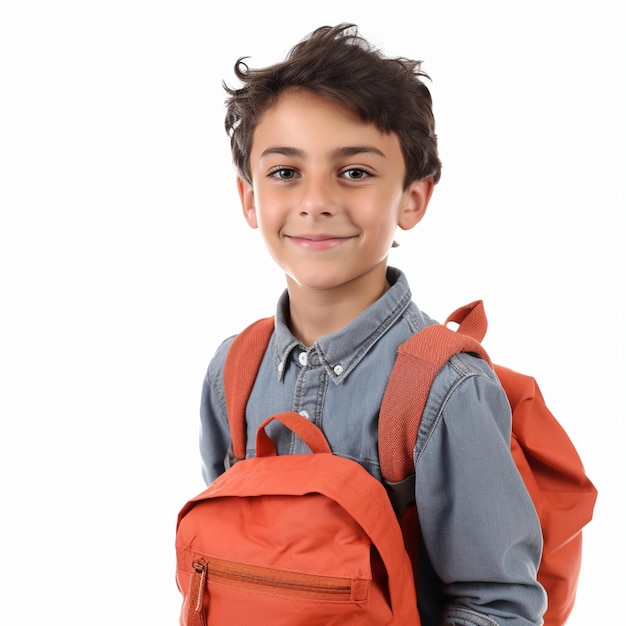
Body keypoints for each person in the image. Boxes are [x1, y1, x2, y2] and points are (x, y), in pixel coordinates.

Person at [199, 23, 547, 625]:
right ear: (248, 197)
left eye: (354, 172)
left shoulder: (446, 391)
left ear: (413, 197)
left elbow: (498, 607)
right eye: (285, 172)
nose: (316, 200)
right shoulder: (233, 371)